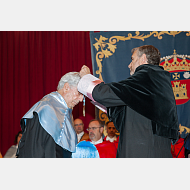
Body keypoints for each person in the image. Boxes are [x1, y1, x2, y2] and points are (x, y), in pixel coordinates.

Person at [79, 45, 179, 158]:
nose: (129, 65)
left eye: (132, 59)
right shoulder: (160, 81)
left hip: (141, 149)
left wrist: (87, 78)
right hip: (160, 148)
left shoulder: (145, 77)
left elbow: (105, 94)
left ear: (143, 58)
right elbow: (128, 107)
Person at [16, 72, 83, 158]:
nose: (81, 99)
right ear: (66, 87)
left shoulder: (65, 112)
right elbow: (35, 151)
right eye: (79, 93)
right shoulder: (45, 109)